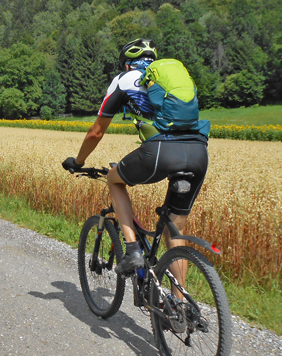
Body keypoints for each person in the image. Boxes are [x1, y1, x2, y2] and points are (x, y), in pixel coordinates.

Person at [62, 39, 209, 280]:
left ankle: (132, 251)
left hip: (161, 152)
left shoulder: (124, 79)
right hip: (198, 151)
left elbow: (96, 132)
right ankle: (180, 311)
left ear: (127, 64)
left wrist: (78, 162)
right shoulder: (171, 79)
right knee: (176, 233)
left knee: (114, 180)